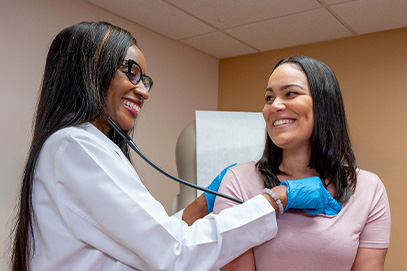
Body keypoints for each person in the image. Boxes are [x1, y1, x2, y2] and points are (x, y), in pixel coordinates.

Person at [10, 22, 341, 271]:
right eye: (131, 73)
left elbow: (154, 238)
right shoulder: (75, 147)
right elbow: (174, 252)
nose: (143, 91)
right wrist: (279, 197)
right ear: (88, 72)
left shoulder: (85, 147)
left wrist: (202, 204)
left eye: (145, 79)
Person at [213, 55, 391, 271]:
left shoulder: (368, 189)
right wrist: (276, 198)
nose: (275, 105)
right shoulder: (238, 182)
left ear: (324, 105)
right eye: (269, 98)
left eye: (290, 94)